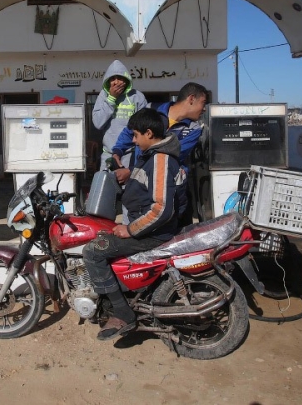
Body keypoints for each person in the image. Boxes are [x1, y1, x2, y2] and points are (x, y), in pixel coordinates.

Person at [83, 108, 186, 341]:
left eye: (136, 135)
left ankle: (122, 313)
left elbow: (161, 209)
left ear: (149, 133)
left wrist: (129, 230)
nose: (134, 140)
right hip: (148, 226)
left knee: (92, 252)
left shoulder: (160, 159)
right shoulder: (152, 155)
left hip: (153, 233)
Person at [109, 82, 208, 223]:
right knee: (139, 225)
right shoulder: (151, 109)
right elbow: (129, 131)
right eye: (203, 103)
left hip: (172, 190)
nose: (204, 109)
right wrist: (117, 152)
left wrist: (131, 171)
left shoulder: (194, 129)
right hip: (142, 189)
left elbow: (171, 155)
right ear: (191, 99)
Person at [91, 60, 147, 171]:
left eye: (120, 78)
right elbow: (98, 123)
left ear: (126, 79)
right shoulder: (104, 95)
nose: (116, 82)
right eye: (112, 79)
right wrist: (111, 99)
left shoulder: (137, 96)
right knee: (104, 182)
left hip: (131, 155)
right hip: (109, 155)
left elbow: (144, 126)